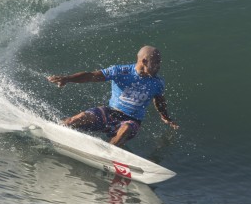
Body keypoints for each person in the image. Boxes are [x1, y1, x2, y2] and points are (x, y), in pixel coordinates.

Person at [47, 46, 179, 147]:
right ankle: (51, 131)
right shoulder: (121, 71)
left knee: (125, 129)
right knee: (79, 118)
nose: (158, 66)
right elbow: (91, 76)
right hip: (110, 112)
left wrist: (165, 116)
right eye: (156, 63)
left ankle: (106, 154)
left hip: (132, 121)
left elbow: (159, 100)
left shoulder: (157, 82)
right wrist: (67, 79)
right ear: (144, 61)